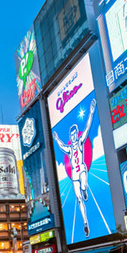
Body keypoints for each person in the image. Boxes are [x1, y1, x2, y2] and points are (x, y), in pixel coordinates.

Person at [52, 98, 97, 237]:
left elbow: (88, 127)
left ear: (76, 134)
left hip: (82, 169)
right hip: (74, 175)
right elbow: (61, 146)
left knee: (84, 186)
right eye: (71, 136)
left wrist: (91, 112)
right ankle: (85, 223)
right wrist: (57, 139)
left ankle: (85, 189)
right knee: (78, 199)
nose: (73, 137)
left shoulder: (81, 142)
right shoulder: (70, 148)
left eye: (74, 135)